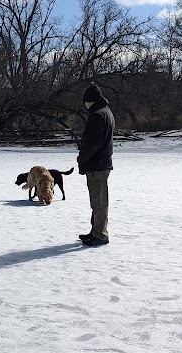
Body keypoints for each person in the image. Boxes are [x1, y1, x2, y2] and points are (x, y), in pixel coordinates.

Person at [77, 84, 114, 247]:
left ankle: (100, 234)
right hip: (101, 163)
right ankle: (95, 231)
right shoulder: (106, 112)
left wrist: (82, 159)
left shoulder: (97, 116)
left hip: (97, 165)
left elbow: (92, 144)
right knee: (97, 201)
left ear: (89, 101)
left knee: (99, 202)